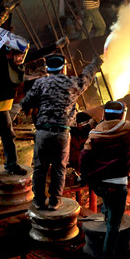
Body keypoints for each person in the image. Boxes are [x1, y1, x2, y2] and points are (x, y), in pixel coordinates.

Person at [0, 30, 68, 184]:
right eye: (19, 55)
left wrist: (55, 46)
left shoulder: (15, 61)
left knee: (8, 136)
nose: (22, 58)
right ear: (8, 53)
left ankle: (11, 165)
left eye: (22, 55)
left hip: (3, 106)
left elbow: (35, 54)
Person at [80, 92, 130, 259]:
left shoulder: (95, 133)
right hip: (117, 185)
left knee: (107, 204)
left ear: (104, 115)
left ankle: (106, 213)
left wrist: (86, 177)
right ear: (122, 115)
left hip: (99, 185)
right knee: (114, 225)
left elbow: (84, 157)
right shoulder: (129, 128)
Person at [20, 54, 101, 210]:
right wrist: (95, 63)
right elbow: (87, 77)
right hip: (62, 133)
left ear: (47, 69)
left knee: (40, 168)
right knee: (59, 168)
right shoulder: (72, 83)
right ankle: (55, 201)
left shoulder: (40, 84)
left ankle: (38, 200)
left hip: (43, 132)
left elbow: (26, 103)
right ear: (64, 67)